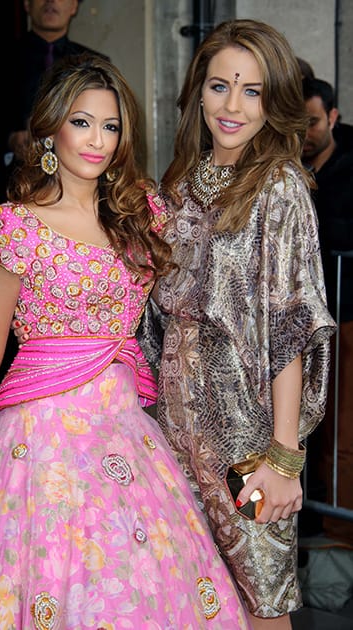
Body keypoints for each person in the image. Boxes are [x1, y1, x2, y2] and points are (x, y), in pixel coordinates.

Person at [0, 54, 251, 629]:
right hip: (39, 437)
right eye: (81, 122)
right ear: (52, 127)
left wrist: (233, 117)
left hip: (126, 427)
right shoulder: (15, 224)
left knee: (139, 589)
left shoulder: (142, 214)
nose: (98, 140)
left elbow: (217, 217)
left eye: (111, 126)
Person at [153, 19, 336, 630]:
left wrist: (284, 458)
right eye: (219, 86)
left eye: (251, 91)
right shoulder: (178, 183)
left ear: (274, 100)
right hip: (173, 433)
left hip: (246, 438)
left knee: (261, 607)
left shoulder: (280, 187)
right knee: (192, 600)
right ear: (196, 91)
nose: (231, 106)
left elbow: (290, 324)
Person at [0, 0, 109, 237]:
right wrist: (10, 141)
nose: (51, 2)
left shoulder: (95, 64)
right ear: (26, 4)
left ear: (74, 6)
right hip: (5, 192)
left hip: (74, 198)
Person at [301, 76, 353, 544]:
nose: (305, 131)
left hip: (346, 315)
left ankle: (337, 539)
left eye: (313, 121)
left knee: (340, 434)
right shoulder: (286, 169)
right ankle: (309, 524)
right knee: (304, 430)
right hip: (301, 321)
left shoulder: (350, 166)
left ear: (333, 118)